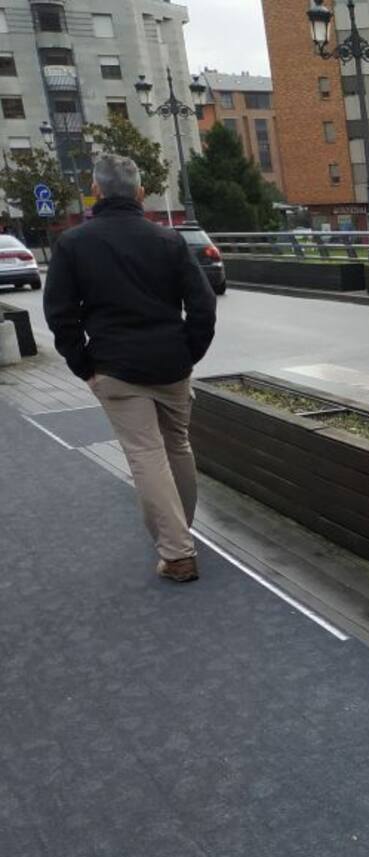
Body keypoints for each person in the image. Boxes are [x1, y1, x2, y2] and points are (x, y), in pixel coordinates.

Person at [43, 153, 216, 583]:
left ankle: (177, 553)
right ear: (140, 193)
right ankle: (178, 533)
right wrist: (188, 354)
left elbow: (60, 314)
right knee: (177, 447)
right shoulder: (169, 241)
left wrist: (84, 366)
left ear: (95, 191)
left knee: (146, 454)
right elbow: (203, 306)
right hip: (172, 366)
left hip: (116, 367)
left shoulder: (73, 244)